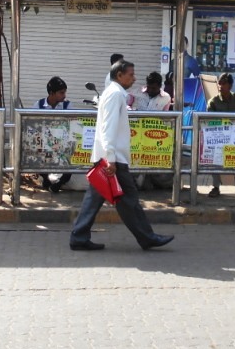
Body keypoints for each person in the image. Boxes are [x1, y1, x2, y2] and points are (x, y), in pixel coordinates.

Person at [69, 59, 174, 251]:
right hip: (113, 160)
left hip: (109, 157)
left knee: (102, 199)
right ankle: (147, 237)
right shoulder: (115, 95)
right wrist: (110, 159)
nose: (134, 79)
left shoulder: (114, 93)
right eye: (131, 75)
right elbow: (108, 129)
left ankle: (79, 235)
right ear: (119, 75)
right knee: (129, 200)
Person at [38, 76, 72, 193]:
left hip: (62, 143)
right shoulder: (38, 105)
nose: (64, 95)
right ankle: (45, 178)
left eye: (65, 92)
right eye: (61, 93)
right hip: (43, 142)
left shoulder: (68, 106)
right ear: (52, 93)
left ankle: (60, 182)